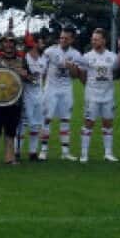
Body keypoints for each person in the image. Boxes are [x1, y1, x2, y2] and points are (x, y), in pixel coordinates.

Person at [77, 28, 120, 162]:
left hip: (108, 95)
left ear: (104, 40)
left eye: (96, 39)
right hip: (92, 95)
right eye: (93, 39)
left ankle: (108, 153)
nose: (93, 41)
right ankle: (84, 154)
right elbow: (82, 75)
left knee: (108, 123)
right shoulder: (87, 57)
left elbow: (119, 66)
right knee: (88, 123)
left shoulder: (112, 55)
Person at [0, 33, 27, 165]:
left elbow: (28, 76)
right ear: (1, 44)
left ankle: (10, 157)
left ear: (14, 44)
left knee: (11, 130)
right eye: (6, 42)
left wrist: (23, 73)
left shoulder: (21, 59)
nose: (8, 45)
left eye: (11, 42)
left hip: (14, 99)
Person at [41, 28, 81, 160]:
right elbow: (42, 70)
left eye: (66, 38)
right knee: (47, 119)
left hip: (66, 90)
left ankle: (65, 152)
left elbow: (76, 76)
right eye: (61, 37)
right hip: (50, 88)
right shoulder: (50, 51)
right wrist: (43, 86)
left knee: (66, 119)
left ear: (72, 40)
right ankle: (43, 150)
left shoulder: (76, 54)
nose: (63, 40)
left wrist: (72, 68)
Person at [19, 35, 48, 161]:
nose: (44, 45)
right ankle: (16, 151)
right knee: (23, 124)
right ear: (35, 44)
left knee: (36, 124)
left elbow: (43, 76)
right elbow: (20, 75)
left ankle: (32, 152)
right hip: (26, 95)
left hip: (39, 96)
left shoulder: (43, 59)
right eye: (42, 42)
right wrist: (25, 76)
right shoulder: (24, 58)